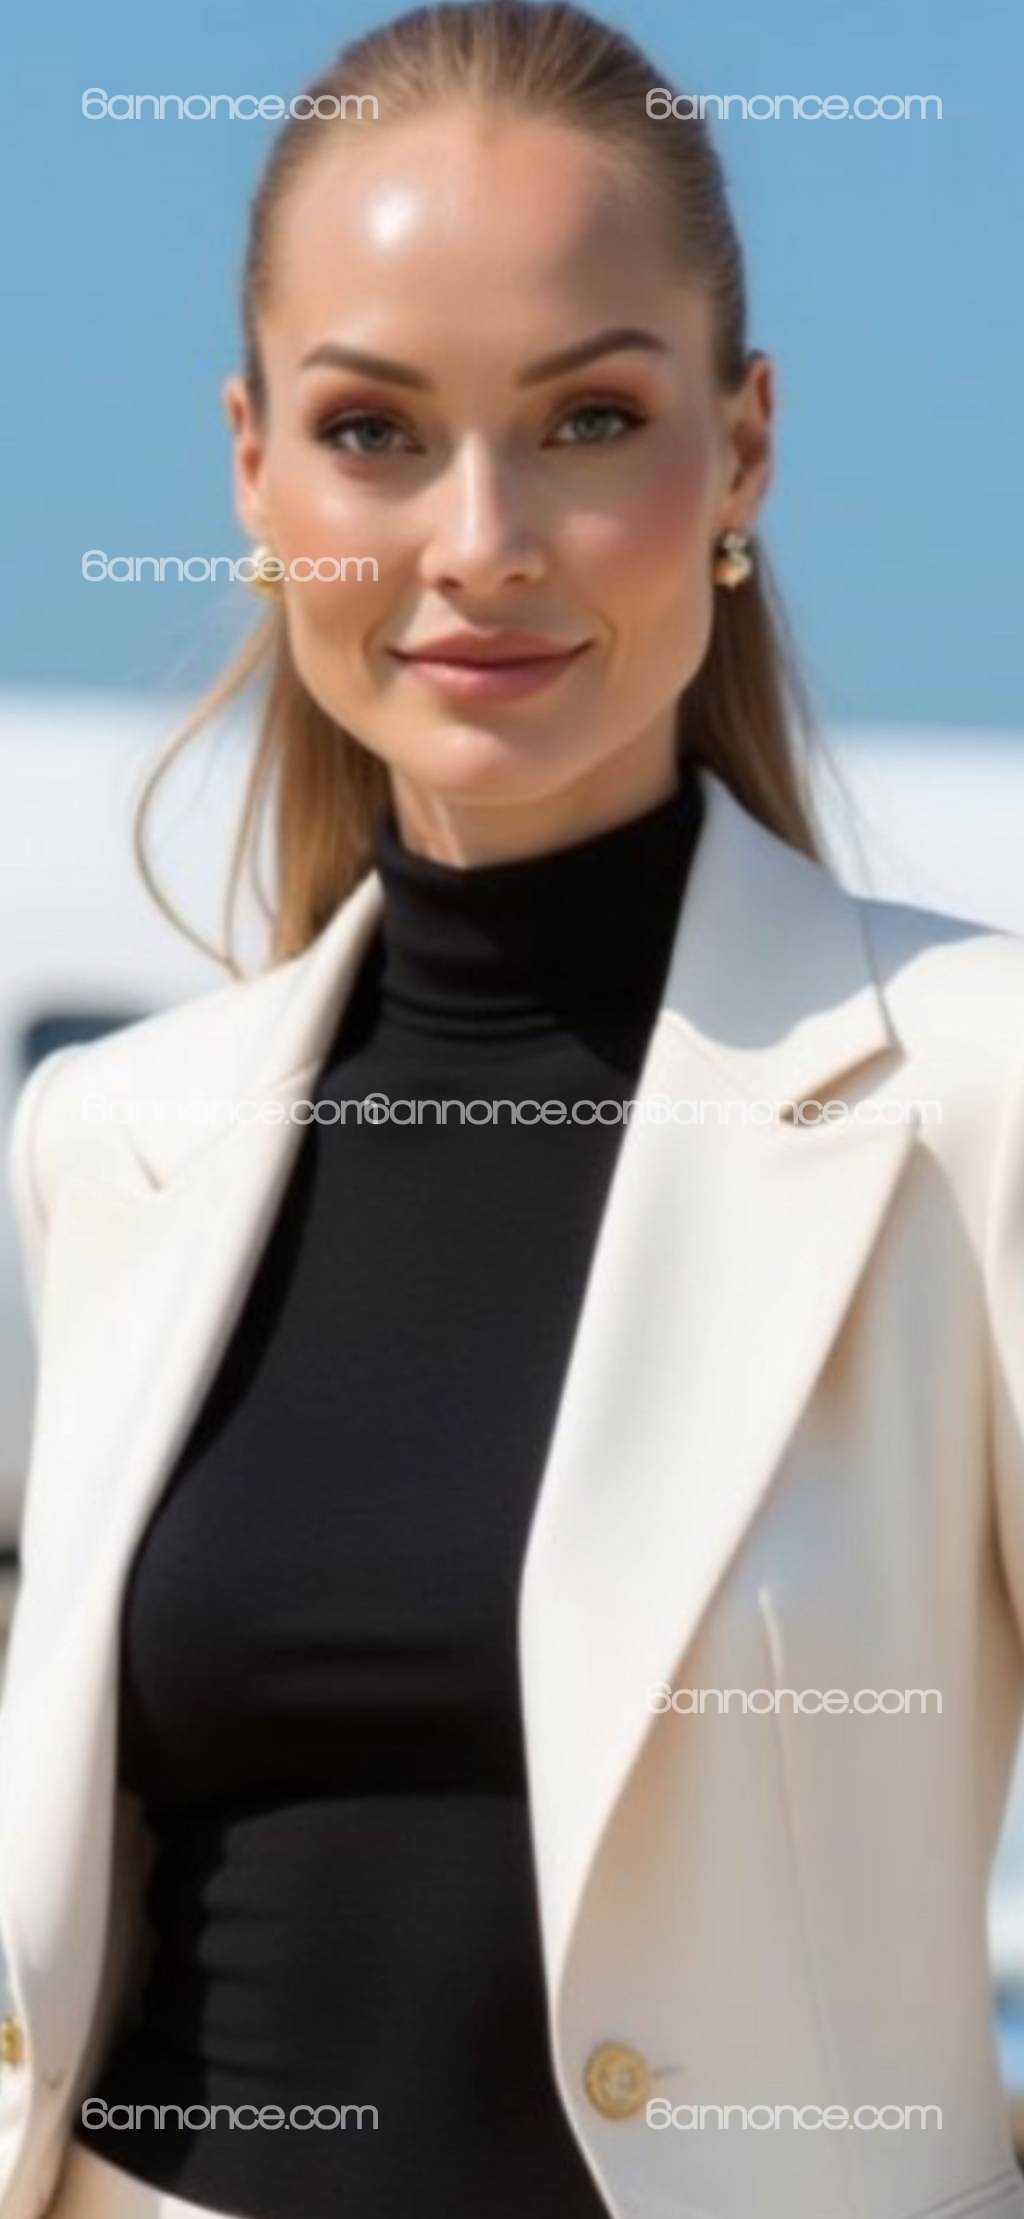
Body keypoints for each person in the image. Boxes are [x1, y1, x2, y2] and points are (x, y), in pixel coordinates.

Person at [2, 5, 1024, 2218]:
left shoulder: (974, 1094)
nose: (481, 540)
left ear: (742, 453)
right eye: (373, 432)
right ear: (252, 469)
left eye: (589, 421)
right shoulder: (111, 1145)